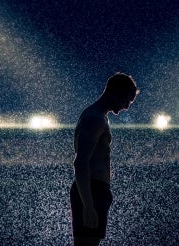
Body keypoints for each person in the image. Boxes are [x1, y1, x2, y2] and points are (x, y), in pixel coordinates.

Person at [70, 73, 139, 246]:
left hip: (95, 191)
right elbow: (80, 162)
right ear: (117, 92)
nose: (126, 107)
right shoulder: (94, 118)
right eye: (128, 100)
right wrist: (88, 205)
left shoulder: (99, 117)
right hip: (91, 190)